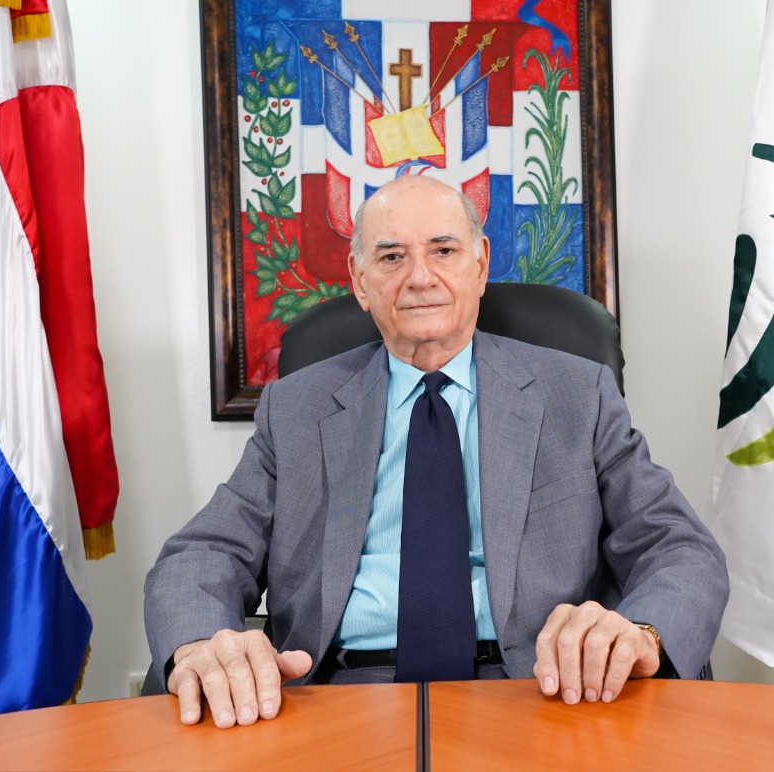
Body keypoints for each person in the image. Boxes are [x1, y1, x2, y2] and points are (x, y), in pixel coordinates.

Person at [145, 176, 728, 728]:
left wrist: (640, 633)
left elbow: (677, 547)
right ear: (359, 280)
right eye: (392, 257)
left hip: (541, 689)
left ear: (480, 264)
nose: (420, 277)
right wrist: (201, 643)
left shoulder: (577, 394)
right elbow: (203, 554)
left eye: (444, 251)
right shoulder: (296, 408)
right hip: (336, 694)